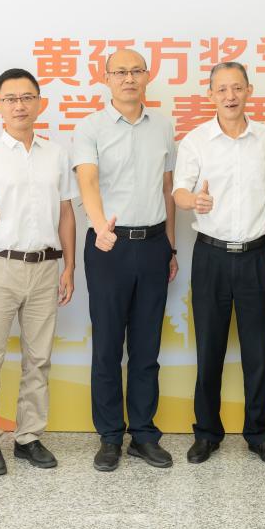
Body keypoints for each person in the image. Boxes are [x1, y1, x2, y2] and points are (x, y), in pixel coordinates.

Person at [172, 62, 265, 466]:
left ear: (249, 91)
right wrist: (195, 200)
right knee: (209, 349)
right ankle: (207, 433)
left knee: (256, 351)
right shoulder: (196, 140)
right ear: (210, 94)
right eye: (222, 89)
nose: (230, 96)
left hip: (257, 255)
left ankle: (260, 435)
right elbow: (179, 193)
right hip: (210, 256)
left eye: (237, 88)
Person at [0, 69, 78, 476]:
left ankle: (28, 437)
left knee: (38, 358)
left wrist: (70, 266)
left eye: (27, 97)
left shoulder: (56, 155)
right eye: (10, 99)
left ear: (39, 103)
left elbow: (66, 212)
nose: (19, 105)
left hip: (46, 267)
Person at [72, 48, 178, 472]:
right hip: (108, 246)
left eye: (136, 71)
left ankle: (144, 435)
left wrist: (171, 246)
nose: (129, 78)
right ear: (106, 78)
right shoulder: (90, 127)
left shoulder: (163, 126)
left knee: (147, 347)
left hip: (153, 244)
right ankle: (110, 437)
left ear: (147, 76)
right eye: (120, 72)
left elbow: (167, 189)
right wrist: (101, 227)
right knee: (107, 347)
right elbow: (88, 180)